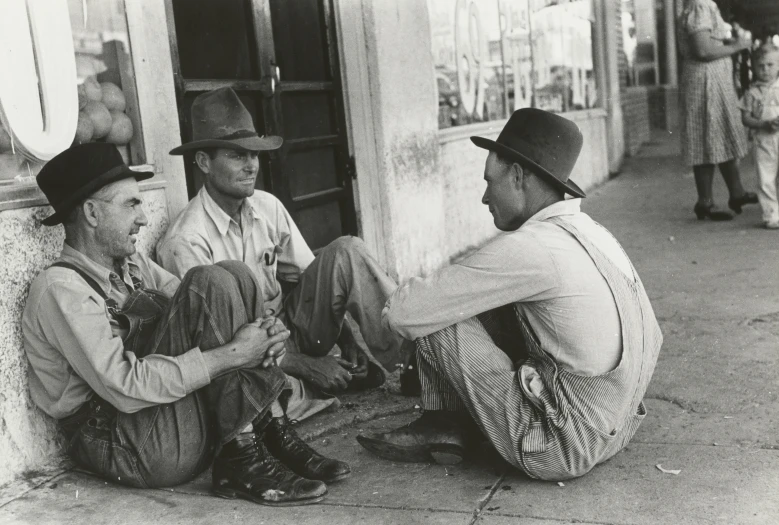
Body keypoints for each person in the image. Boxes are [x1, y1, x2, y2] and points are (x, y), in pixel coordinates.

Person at [22, 143, 351, 506]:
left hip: (166, 423)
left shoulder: (131, 267)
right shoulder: (61, 289)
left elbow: (213, 304)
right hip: (131, 445)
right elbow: (124, 387)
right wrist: (235, 354)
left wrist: (264, 330)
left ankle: (270, 431)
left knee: (234, 275)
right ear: (91, 212)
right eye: (131, 204)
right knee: (209, 281)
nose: (144, 218)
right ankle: (242, 458)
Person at [356, 109, 663, 481]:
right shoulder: (590, 231)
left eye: (490, 181)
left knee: (438, 316)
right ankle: (451, 422)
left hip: (560, 447)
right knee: (479, 300)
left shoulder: (532, 247)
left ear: (518, 176)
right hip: (618, 427)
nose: (485, 197)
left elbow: (404, 314)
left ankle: (442, 423)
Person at [157, 88, 407, 420]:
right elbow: (217, 347)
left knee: (347, 250)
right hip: (241, 357)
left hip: (286, 329)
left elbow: (312, 277)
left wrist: (348, 340)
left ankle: (416, 363)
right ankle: (312, 383)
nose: (251, 166)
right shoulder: (184, 240)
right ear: (204, 162)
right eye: (236, 156)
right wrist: (306, 364)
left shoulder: (267, 206)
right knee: (270, 402)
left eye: (254, 155)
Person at [678, 0, 758, 221]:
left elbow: (709, 40)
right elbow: (702, 49)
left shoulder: (704, 5)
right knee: (707, 137)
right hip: (706, 80)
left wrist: (729, 41)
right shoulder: (700, 5)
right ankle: (705, 202)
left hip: (714, 79)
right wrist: (737, 46)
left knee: (722, 135)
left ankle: (737, 193)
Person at [740, 44, 779, 229]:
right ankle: (771, 214)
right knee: (765, 177)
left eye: (770, 65)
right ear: (754, 68)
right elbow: (746, 118)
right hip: (763, 140)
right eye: (760, 66)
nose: (765, 70)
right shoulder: (752, 92)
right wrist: (763, 124)